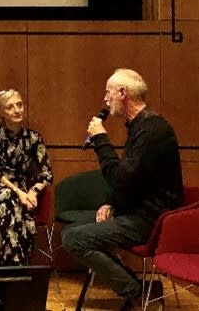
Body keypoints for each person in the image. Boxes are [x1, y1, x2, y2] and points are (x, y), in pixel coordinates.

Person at [62, 69, 183, 310]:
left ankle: (136, 294)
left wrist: (100, 139)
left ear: (123, 92)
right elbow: (132, 180)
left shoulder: (152, 131)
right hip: (136, 211)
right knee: (74, 229)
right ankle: (139, 288)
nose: (105, 99)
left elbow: (120, 179)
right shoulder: (141, 127)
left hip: (151, 220)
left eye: (108, 93)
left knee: (74, 238)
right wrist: (111, 204)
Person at [0, 88, 53, 267]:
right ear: (1, 112)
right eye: (10, 107)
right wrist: (19, 192)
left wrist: (32, 192)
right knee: (10, 199)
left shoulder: (33, 138)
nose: (17, 110)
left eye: (19, 105)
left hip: (19, 197)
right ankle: (19, 266)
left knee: (7, 210)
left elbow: (46, 173)